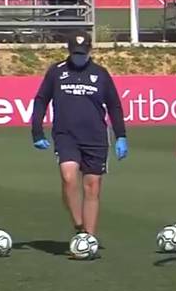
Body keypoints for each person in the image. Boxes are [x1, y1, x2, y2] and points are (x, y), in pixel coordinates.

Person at [31, 31, 127, 247]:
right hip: (66, 135)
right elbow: (41, 100)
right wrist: (37, 130)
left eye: (83, 54)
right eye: (75, 53)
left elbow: (114, 105)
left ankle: (89, 239)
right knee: (68, 177)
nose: (79, 57)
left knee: (92, 186)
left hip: (95, 137)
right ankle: (79, 227)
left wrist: (121, 135)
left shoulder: (101, 74)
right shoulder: (56, 72)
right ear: (69, 50)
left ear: (90, 51)